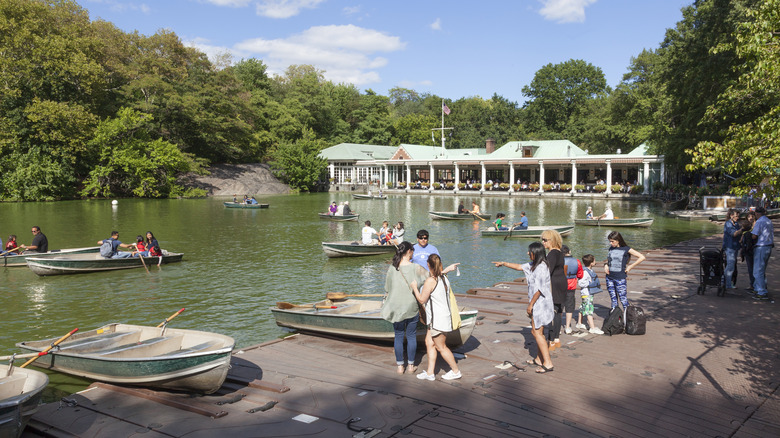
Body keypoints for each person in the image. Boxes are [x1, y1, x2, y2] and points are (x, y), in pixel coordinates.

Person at [492, 242, 554, 373]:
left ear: (535, 253)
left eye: (529, 251)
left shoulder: (542, 268)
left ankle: (548, 363)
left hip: (541, 303)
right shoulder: (533, 265)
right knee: (536, 332)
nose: (527, 253)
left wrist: (530, 305)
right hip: (537, 303)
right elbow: (519, 267)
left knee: (537, 333)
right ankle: (538, 358)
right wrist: (504, 263)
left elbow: (540, 289)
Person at [412, 254, 462, 381]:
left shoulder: (430, 281)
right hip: (441, 318)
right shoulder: (443, 278)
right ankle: (430, 373)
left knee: (441, 347)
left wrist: (414, 288)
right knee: (429, 343)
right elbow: (440, 274)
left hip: (437, 320)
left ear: (428, 265)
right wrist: (448, 269)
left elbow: (422, 300)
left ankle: (456, 371)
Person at [381, 242, 428, 374]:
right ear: (408, 252)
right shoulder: (416, 267)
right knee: (411, 336)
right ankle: (411, 366)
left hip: (396, 307)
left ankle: (400, 367)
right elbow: (430, 278)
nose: (413, 253)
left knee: (399, 336)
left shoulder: (392, 268)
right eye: (412, 251)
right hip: (411, 306)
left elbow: (387, 288)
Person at [604, 231, 646, 309]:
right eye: (610, 241)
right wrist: (606, 265)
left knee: (623, 299)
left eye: (612, 241)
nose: (611, 243)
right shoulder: (611, 248)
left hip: (620, 277)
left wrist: (630, 266)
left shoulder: (626, 249)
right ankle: (615, 317)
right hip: (609, 277)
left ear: (618, 240)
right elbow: (609, 260)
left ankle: (627, 317)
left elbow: (642, 257)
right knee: (613, 300)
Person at [540, 229, 566, 352]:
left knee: (552, 312)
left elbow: (547, 271)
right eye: (542, 240)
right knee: (558, 310)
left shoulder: (552, 254)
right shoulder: (560, 252)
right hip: (561, 282)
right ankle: (556, 339)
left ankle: (551, 340)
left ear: (552, 240)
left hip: (554, 284)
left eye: (545, 240)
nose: (543, 242)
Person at [576, 254, 604, 334]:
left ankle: (579, 323)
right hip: (587, 293)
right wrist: (589, 282)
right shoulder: (585, 272)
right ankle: (592, 327)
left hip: (588, 293)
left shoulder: (589, 270)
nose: (595, 262)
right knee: (589, 309)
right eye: (594, 260)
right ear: (591, 263)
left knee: (583, 307)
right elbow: (581, 283)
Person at [751, 206, 774, 301]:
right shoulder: (769, 221)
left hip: (761, 246)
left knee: (757, 270)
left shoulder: (759, 222)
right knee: (762, 269)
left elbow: (754, 236)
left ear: (757, 213)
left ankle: (761, 291)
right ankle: (759, 288)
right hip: (768, 246)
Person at [561, 245, 583, 334]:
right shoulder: (576, 261)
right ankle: (567, 327)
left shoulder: (559, 261)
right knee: (569, 307)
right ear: (569, 251)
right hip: (571, 286)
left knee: (559, 307)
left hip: (560, 285)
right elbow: (580, 274)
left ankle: (557, 328)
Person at [722, 209, 743, 290]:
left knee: (732, 266)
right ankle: (725, 283)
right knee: (730, 265)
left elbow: (739, 235)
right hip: (729, 247)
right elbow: (734, 234)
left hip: (735, 247)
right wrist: (743, 229)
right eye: (736, 216)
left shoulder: (736, 224)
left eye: (738, 216)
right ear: (731, 216)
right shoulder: (728, 224)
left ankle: (728, 282)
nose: (737, 218)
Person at [740, 212, 756, 291]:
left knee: (753, 268)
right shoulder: (746, 229)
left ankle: (754, 285)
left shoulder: (755, 226)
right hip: (750, 250)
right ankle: (753, 284)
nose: (750, 218)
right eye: (749, 216)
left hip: (752, 250)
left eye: (752, 216)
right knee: (751, 268)